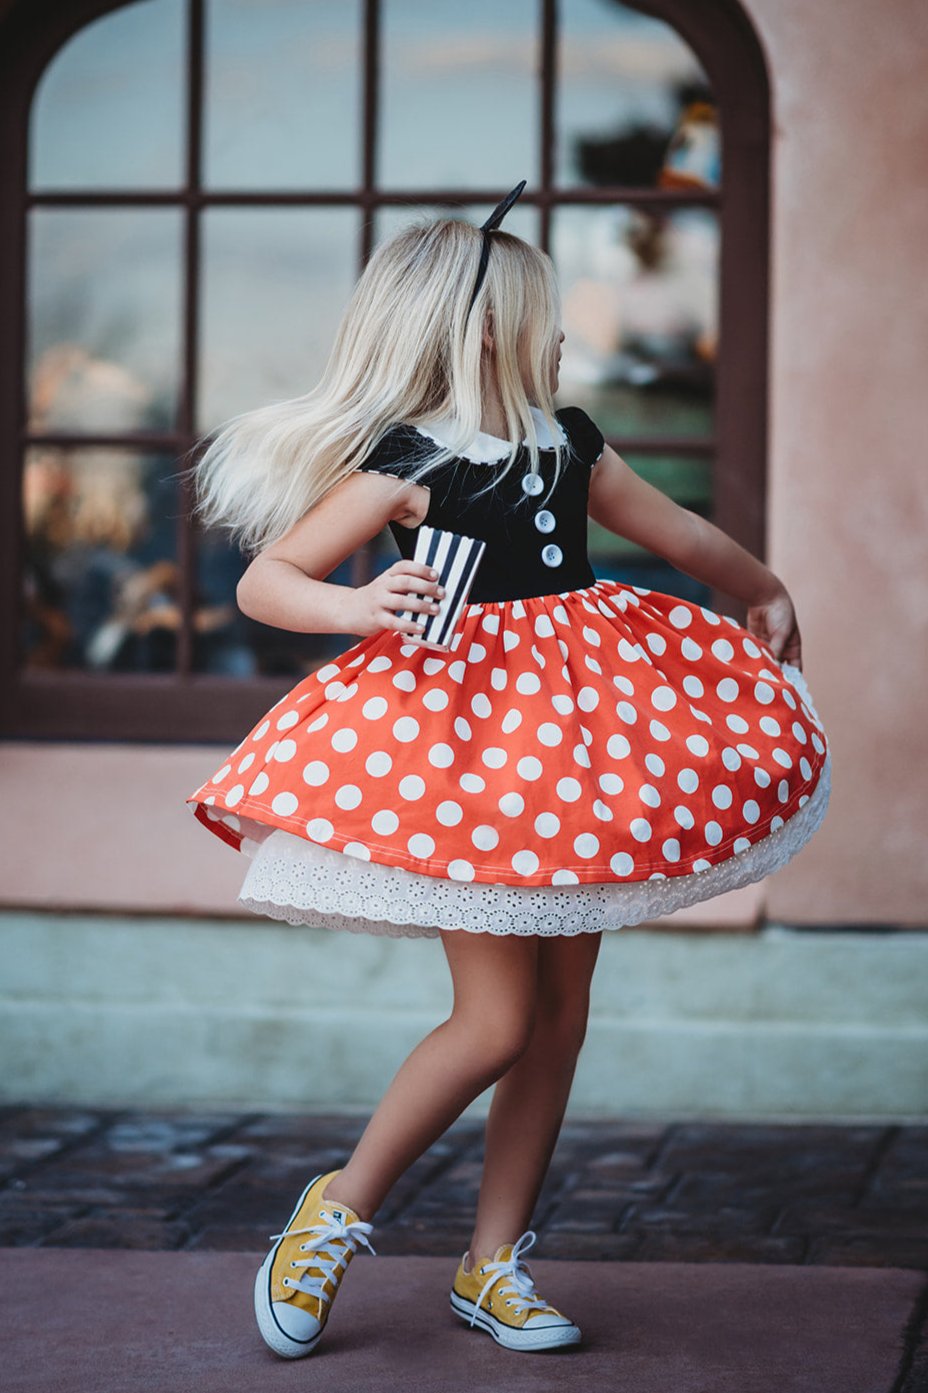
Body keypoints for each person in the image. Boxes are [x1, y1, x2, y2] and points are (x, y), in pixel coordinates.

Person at [183, 182, 832, 1358]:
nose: (562, 327)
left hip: (581, 755)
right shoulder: (410, 458)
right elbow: (268, 580)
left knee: (560, 1014)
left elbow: (677, 533)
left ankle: (492, 1263)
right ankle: (333, 1209)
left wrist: (760, 588)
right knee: (494, 1021)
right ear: (486, 326)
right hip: (475, 756)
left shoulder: (570, 439)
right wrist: (358, 602)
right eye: (541, 309)